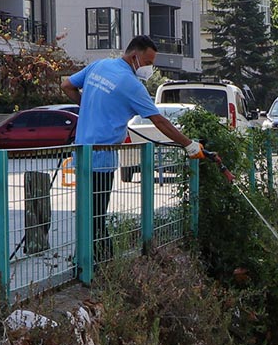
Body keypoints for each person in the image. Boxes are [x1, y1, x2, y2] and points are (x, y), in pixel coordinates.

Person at [61, 35, 204, 265]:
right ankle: (97, 265)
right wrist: (188, 145)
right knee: (96, 216)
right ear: (134, 56)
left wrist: (88, 106)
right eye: (148, 62)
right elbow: (160, 121)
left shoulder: (100, 64)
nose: (149, 68)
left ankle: (92, 261)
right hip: (102, 160)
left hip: (81, 155)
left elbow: (67, 85)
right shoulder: (131, 85)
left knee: (88, 214)